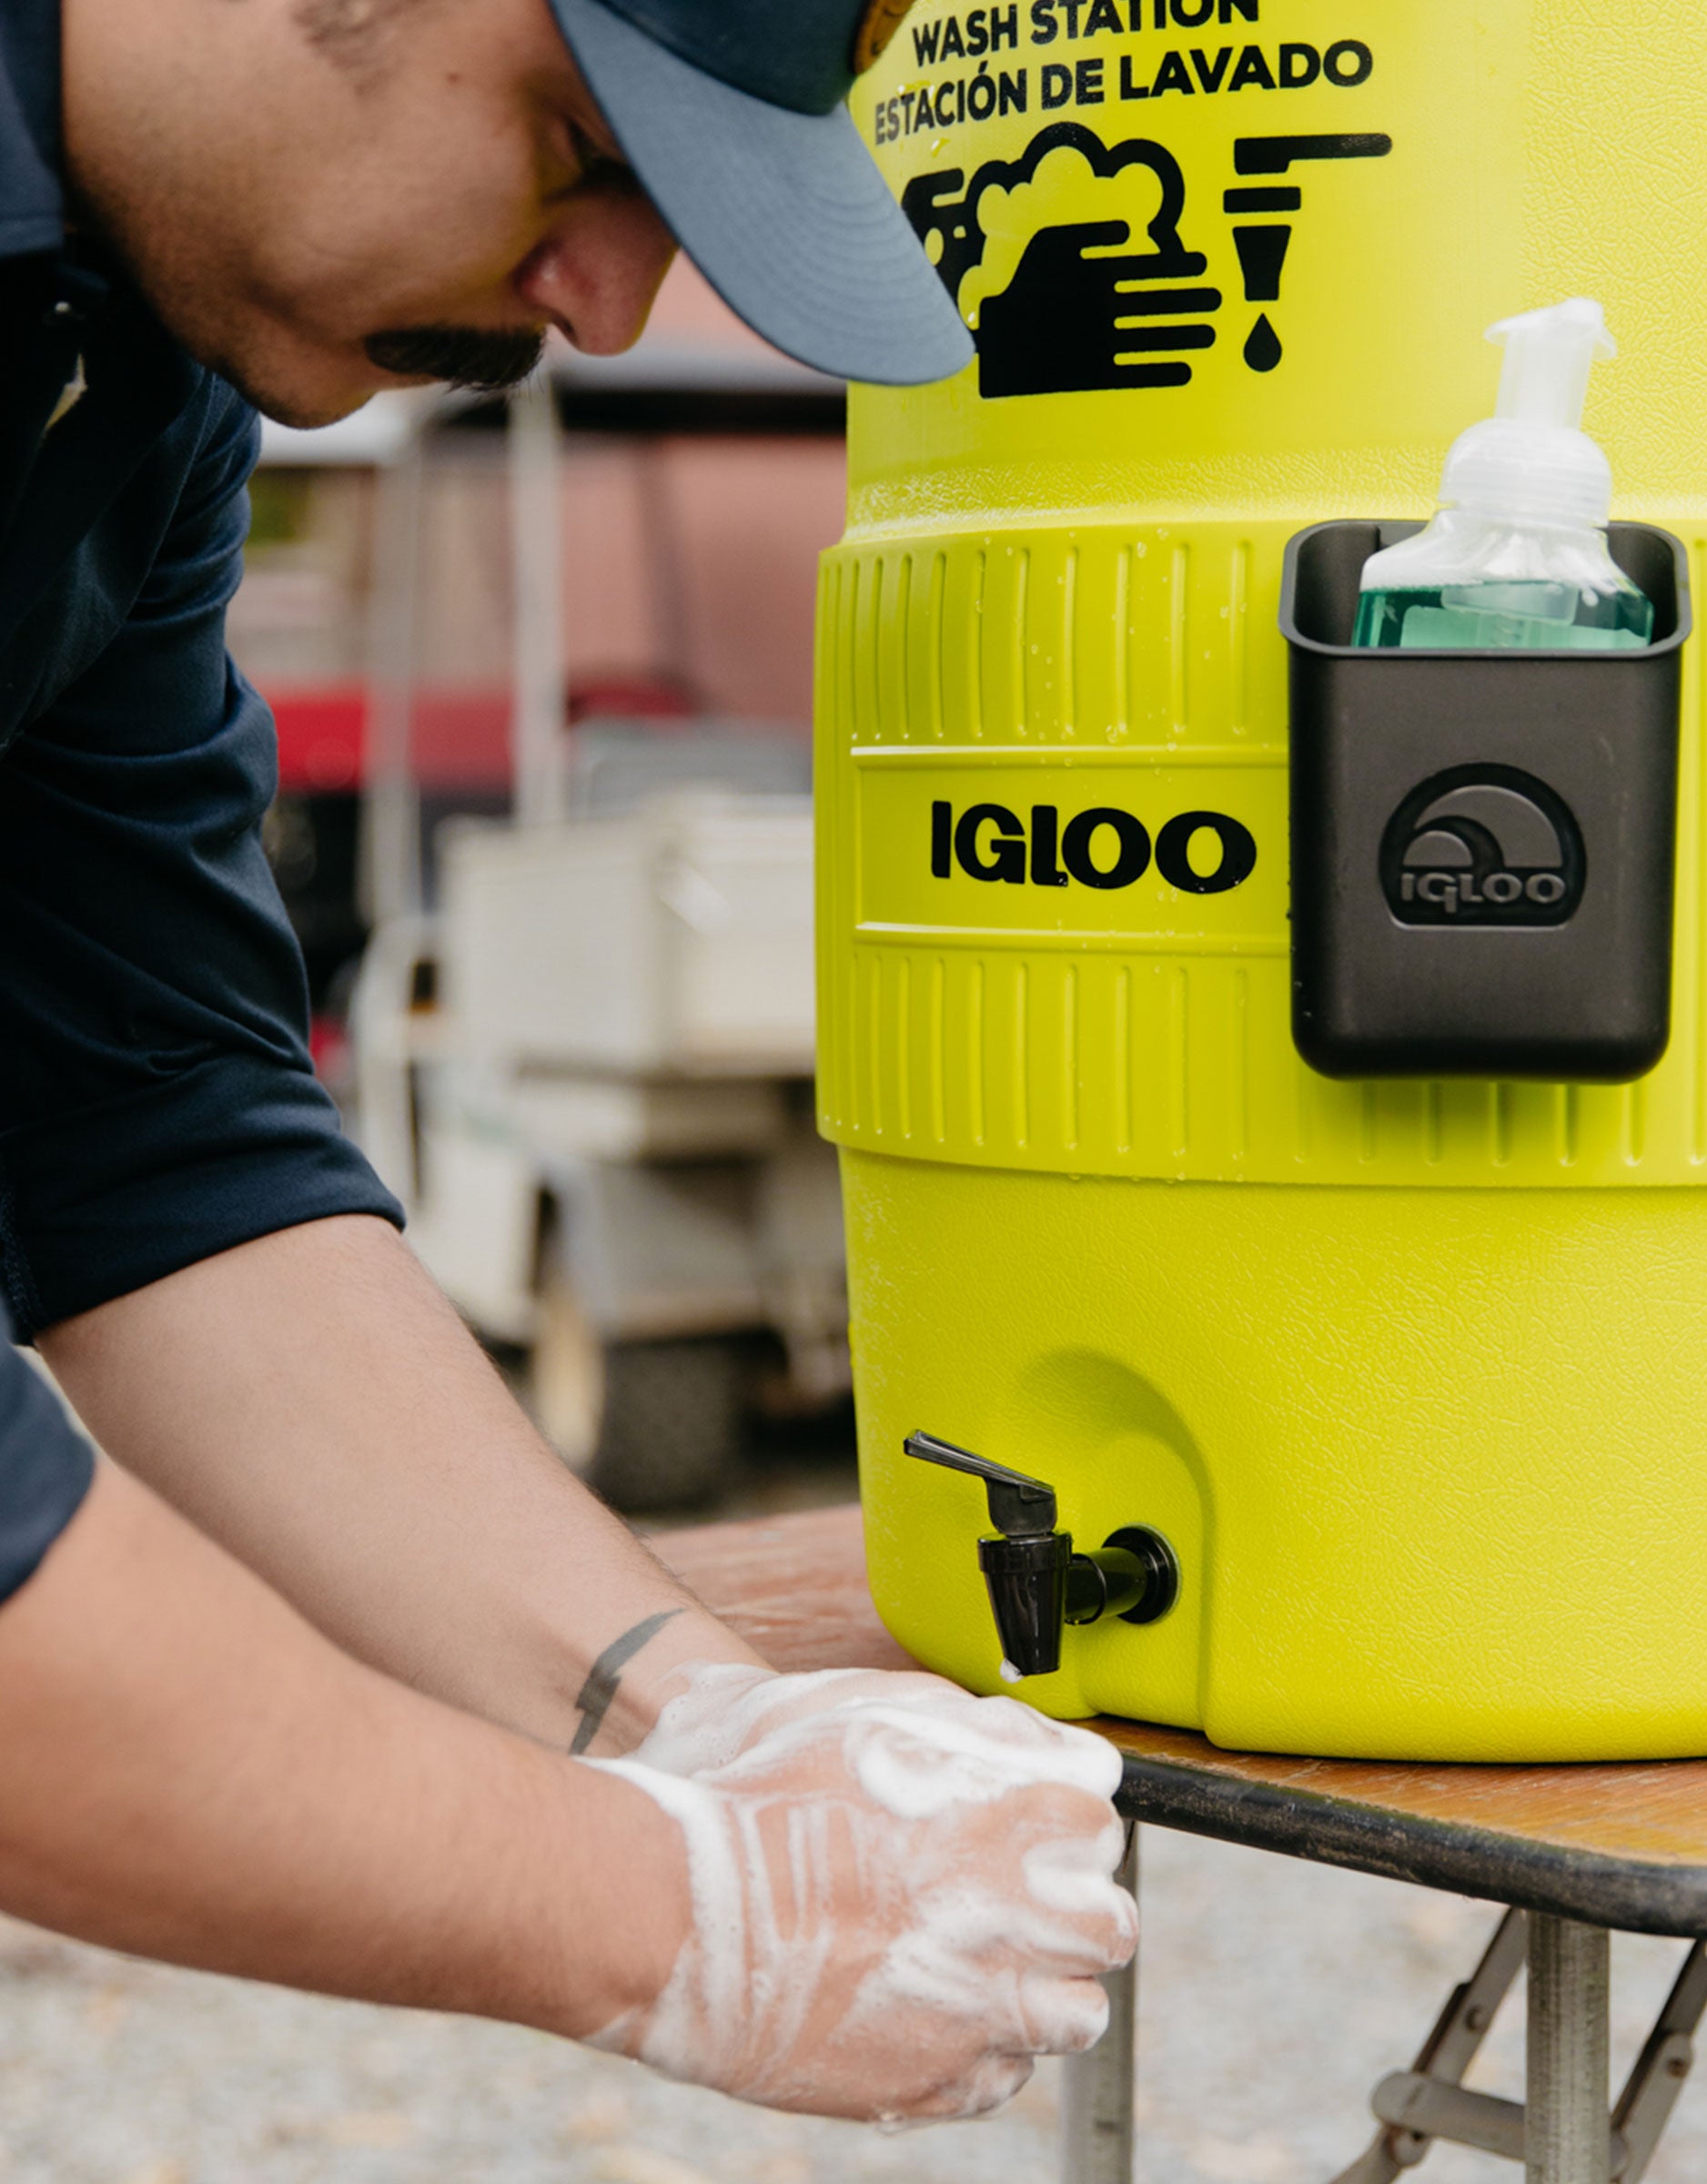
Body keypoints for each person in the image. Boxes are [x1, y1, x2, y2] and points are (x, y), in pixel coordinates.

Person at [0, 0, 1135, 2127]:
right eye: (580, 142)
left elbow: (143, 1130)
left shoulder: (128, 367)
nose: (606, 307)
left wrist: (696, 1722)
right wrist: (669, 1915)